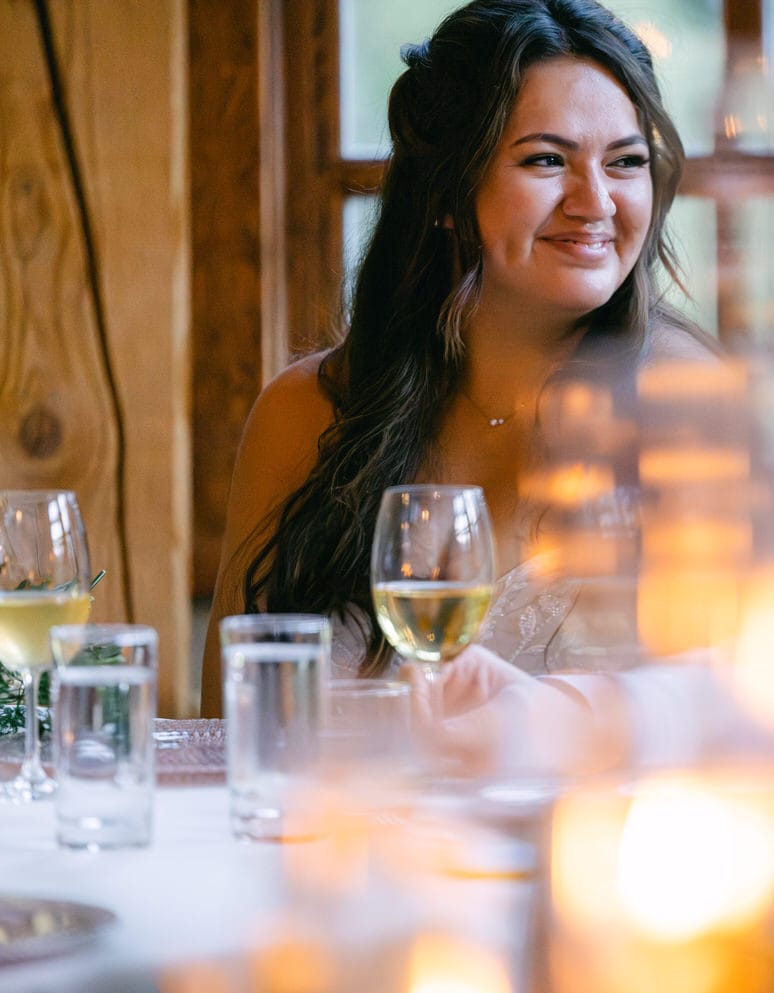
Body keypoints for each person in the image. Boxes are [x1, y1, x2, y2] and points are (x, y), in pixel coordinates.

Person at [203, 0, 714, 717]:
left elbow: (736, 718)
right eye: (546, 159)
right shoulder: (306, 412)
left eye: (625, 162)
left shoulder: (686, 408)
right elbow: (228, 728)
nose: (595, 201)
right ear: (446, 190)